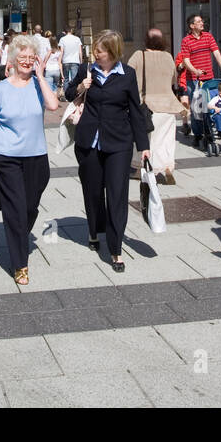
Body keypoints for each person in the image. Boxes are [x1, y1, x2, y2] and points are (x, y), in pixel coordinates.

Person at [64, 30, 150, 273]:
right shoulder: (85, 70)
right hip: (89, 142)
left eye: (99, 51)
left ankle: (115, 249)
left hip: (119, 144)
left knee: (116, 195)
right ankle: (94, 230)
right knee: (92, 192)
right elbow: (68, 94)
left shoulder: (127, 75)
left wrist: (143, 146)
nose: (95, 54)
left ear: (112, 52)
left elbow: (135, 110)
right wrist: (81, 85)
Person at [0, 35, 58, 285]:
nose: (26, 61)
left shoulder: (38, 84)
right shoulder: (1, 89)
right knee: (15, 210)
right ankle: (20, 264)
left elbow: (54, 106)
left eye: (30, 57)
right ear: (12, 59)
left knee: (29, 208)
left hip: (36, 157)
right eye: (21, 57)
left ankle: (17, 234)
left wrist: (42, 76)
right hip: (7, 157)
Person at [127, 29, 184, 185]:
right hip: (168, 105)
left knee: (147, 141)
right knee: (165, 140)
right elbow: (174, 79)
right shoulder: (168, 57)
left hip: (147, 106)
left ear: (146, 40)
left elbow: (127, 75)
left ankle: (145, 170)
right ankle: (166, 168)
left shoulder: (139, 55)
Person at [179, 13, 221, 144]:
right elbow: (186, 60)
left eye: (202, 21)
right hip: (194, 80)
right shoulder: (186, 40)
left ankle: (208, 132)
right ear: (192, 26)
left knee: (209, 107)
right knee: (197, 109)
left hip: (209, 79)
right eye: (199, 21)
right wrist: (195, 71)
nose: (202, 23)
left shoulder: (208, 36)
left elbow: (216, 52)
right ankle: (197, 135)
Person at [60, 25, 83, 89]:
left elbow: (61, 52)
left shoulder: (62, 39)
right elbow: (80, 51)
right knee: (74, 79)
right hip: (75, 60)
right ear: (71, 30)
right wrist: (81, 61)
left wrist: (60, 61)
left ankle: (66, 96)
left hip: (65, 61)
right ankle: (73, 94)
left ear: (64, 31)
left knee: (66, 79)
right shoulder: (77, 39)